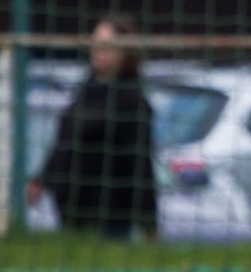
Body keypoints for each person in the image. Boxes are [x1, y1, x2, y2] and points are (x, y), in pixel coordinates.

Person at [26, 14, 157, 240]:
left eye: (106, 45)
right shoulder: (86, 89)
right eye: (94, 43)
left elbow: (139, 166)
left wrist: (149, 224)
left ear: (124, 52)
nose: (97, 50)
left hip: (108, 217)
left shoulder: (132, 100)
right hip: (71, 212)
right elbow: (65, 140)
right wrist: (42, 179)